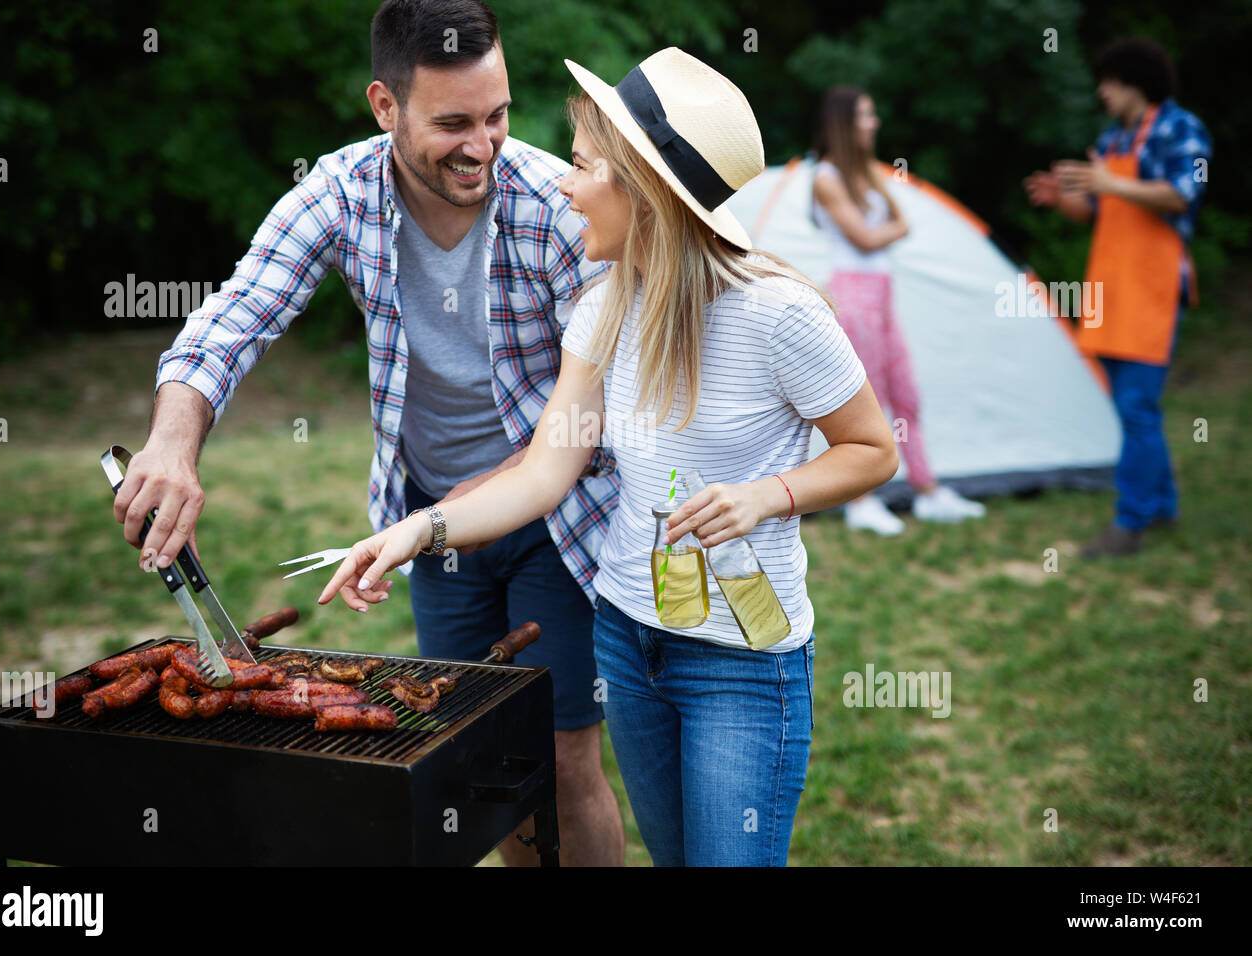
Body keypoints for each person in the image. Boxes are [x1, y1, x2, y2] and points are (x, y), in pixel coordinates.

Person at [316, 48, 900, 866]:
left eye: (586, 165)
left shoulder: (781, 316)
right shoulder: (602, 313)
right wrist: (421, 531)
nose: (562, 183)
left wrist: (768, 494)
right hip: (628, 640)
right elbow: (543, 474)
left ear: (645, 191)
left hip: (742, 665)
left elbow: (874, 451)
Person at [112, 0, 626, 866]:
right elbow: (234, 318)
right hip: (429, 523)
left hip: (558, 517)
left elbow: (601, 396)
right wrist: (170, 443)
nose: (483, 145)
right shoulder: (339, 193)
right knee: (479, 750)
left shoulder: (558, 208)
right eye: (452, 122)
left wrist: (508, 477)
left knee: (564, 755)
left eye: (497, 115)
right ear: (384, 107)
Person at [1025, 38, 1210, 559]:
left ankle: (1129, 523)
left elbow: (1182, 194)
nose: (1101, 91)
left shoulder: (1182, 128)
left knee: (1136, 407)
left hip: (1152, 287)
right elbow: (1102, 213)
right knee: (1134, 408)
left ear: (1133, 82)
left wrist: (1109, 182)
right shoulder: (1113, 139)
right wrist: (1064, 201)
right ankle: (1163, 505)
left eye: (1108, 81)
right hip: (1111, 286)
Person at [811, 86, 986, 536]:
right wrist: (893, 227)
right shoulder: (826, 178)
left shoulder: (864, 173)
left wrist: (886, 213)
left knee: (906, 392)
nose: (874, 123)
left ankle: (927, 490)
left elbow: (895, 222)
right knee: (867, 400)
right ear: (844, 124)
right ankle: (861, 501)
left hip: (883, 294)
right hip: (854, 297)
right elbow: (868, 238)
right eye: (866, 116)